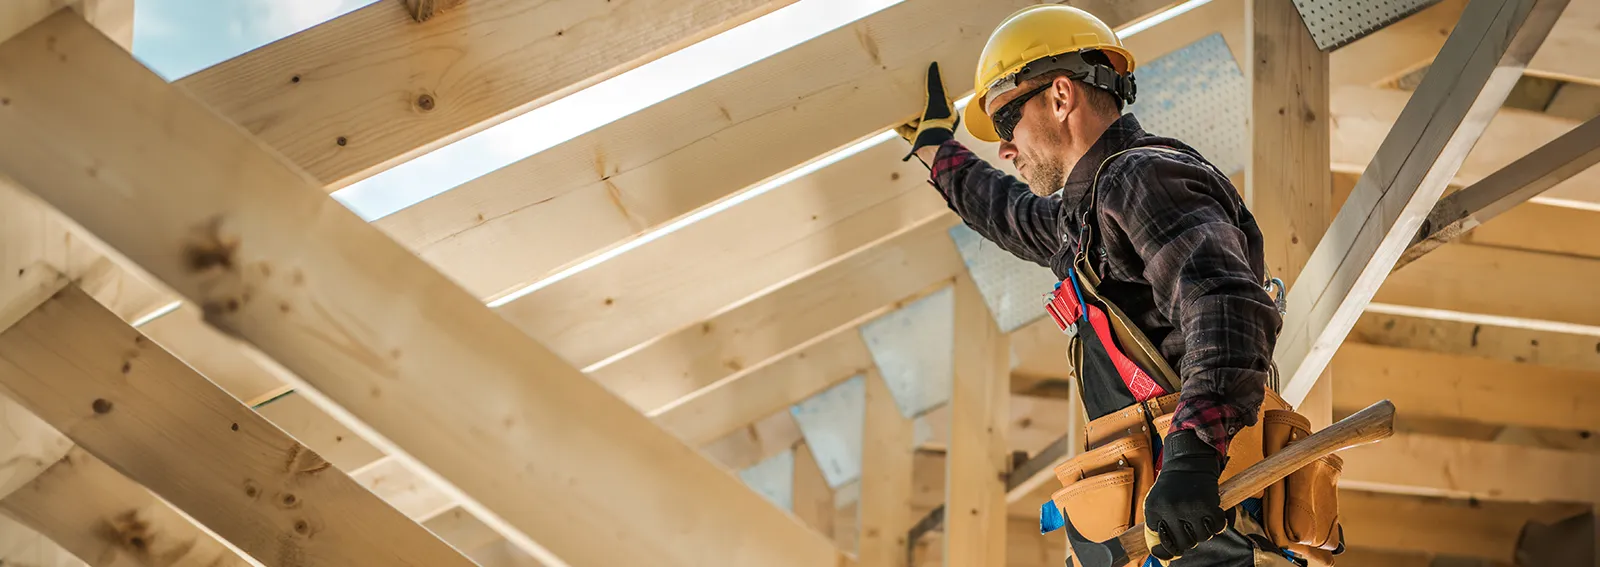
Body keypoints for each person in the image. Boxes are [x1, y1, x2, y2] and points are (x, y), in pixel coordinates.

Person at [896, 5, 1333, 567]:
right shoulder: (1088, 214)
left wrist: (1192, 456)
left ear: (1060, 98)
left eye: (1006, 123)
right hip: (1174, 541)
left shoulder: (1141, 177)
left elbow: (1225, 306)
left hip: (1209, 537)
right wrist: (936, 148)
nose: (1004, 148)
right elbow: (1007, 212)